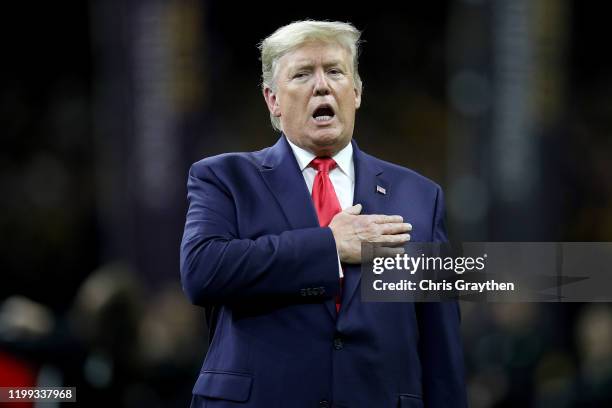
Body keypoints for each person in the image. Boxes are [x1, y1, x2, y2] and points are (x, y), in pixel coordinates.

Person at [180, 20, 467, 408]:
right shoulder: (224, 178)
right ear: (273, 100)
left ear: (357, 92)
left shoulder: (420, 195)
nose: (322, 85)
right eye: (302, 74)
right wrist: (329, 246)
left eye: (335, 71)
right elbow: (202, 271)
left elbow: (440, 342)